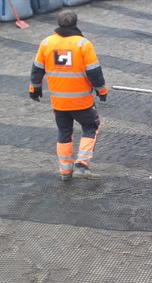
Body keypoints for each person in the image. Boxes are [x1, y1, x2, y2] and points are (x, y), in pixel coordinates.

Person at [29, 9, 108, 181]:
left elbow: (37, 70)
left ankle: (65, 172)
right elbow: (95, 72)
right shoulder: (83, 44)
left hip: (59, 103)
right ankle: (82, 164)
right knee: (91, 127)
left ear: (58, 23)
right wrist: (102, 90)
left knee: (64, 132)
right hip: (82, 102)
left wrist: (34, 89)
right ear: (75, 23)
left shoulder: (46, 43)